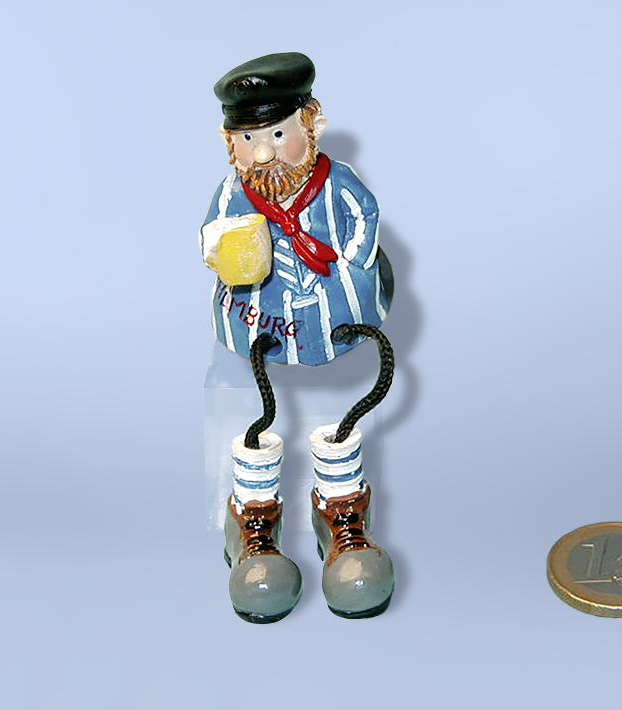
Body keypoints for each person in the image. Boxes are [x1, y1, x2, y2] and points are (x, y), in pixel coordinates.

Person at [201, 53, 395, 623]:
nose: (263, 153)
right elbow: (211, 235)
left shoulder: (336, 184)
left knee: (344, 416)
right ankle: (251, 519)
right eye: (248, 139)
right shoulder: (232, 194)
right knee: (246, 423)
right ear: (229, 142)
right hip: (255, 328)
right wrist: (224, 252)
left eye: (278, 134)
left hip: (338, 330)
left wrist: (352, 264)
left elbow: (365, 217)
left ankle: (341, 514)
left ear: (312, 125)